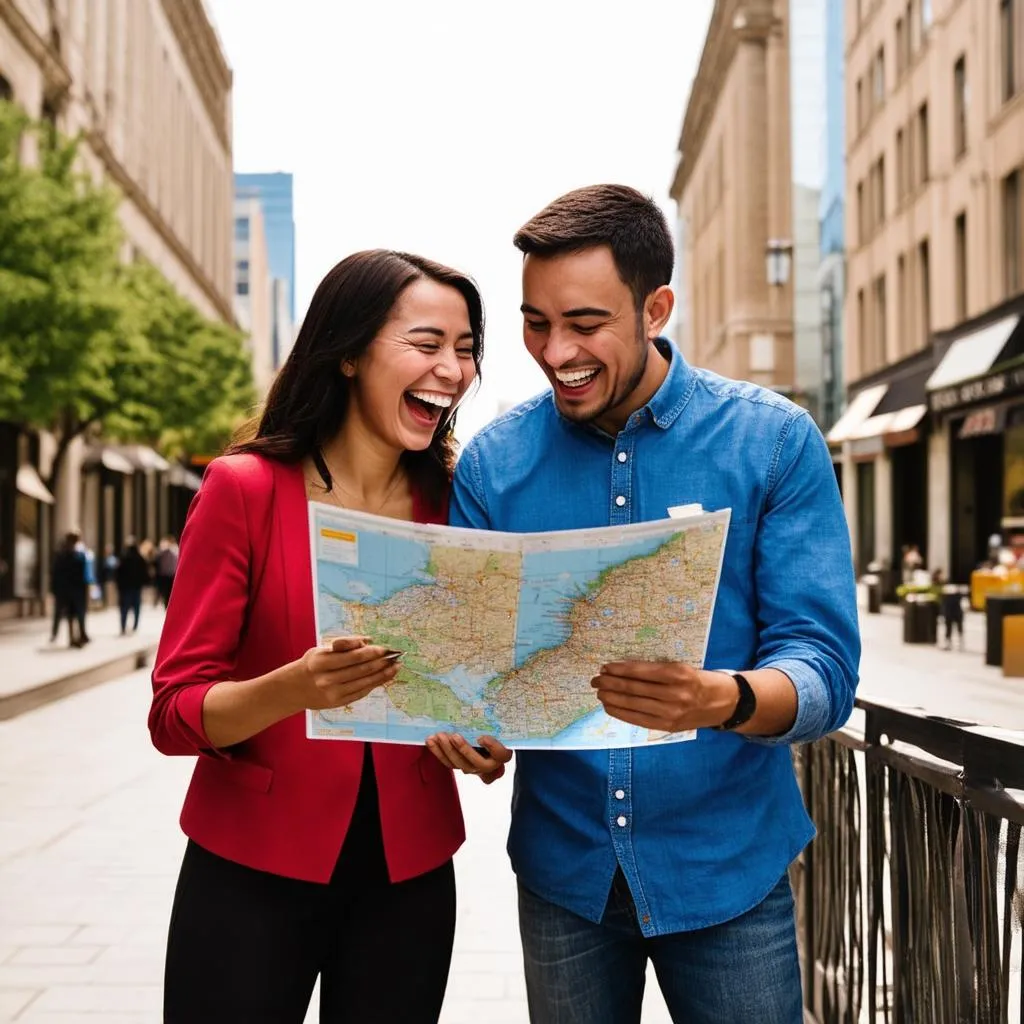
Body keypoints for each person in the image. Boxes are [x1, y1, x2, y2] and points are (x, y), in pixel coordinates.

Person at [427, 185, 860, 1024]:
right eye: (535, 322)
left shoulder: (772, 442)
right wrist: (465, 728)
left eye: (585, 324)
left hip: (729, 869)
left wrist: (720, 698)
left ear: (656, 306)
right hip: (566, 878)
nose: (555, 352)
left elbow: (824, 668)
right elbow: (470, 671)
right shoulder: (491, 467)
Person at [149, 249, 483, 1023]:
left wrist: (481, 737)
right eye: (428, 343)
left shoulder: (458, 501)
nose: (454, 369)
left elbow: (470, 683)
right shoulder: (243, 489)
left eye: (465, 349)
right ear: (348, 353)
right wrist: (291, 689)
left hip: (411, 877)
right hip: (250, 870)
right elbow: (174, 712)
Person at [49, 532, 87, 647]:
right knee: (74, 613)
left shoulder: (67, 555)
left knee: (71, 614)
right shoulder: (74, 555)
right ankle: (76, 636)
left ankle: (75, 636)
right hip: (70, 590)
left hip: (67, 589)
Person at [115, 536, 150, 634]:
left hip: (126, 587)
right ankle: (134, 626)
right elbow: (145, 572)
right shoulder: (140, 558)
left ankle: (123, 626)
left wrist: (119, 585)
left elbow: (118, 573)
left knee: (124, 608)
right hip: (136, 586)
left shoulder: (124, 557)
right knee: (136, 607)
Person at [153, 536, 178, 607]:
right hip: (169, 574)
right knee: (167, 592)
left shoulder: (167, 551)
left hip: (167, 574)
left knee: (166, 591)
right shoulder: (174, 550)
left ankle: (165, 603)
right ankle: (166, 603)